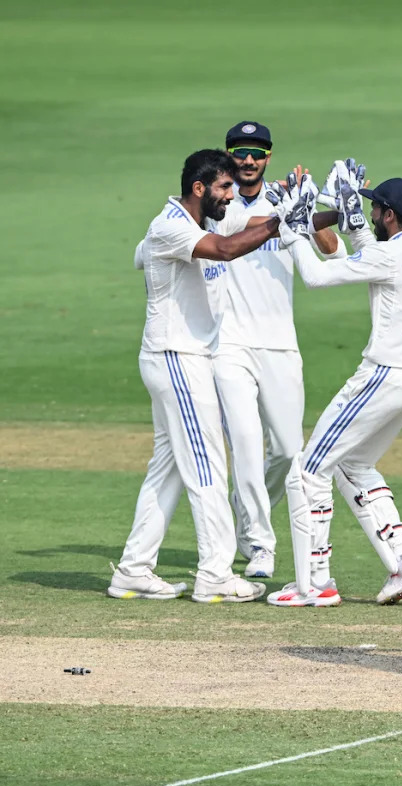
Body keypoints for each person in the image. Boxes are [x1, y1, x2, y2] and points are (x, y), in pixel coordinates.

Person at [107, 149, 284, 603]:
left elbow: (248, 230)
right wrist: (283, 220)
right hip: (176, 358)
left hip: (183, 358)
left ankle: (133, 568)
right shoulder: (169, 226)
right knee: (208, 465)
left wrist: (319, 215)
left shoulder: (206, 219)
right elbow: (227, 251)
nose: (233, 195)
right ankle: (216, 575)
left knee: (167, 469)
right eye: (225, 188)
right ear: (200, 189)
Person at [263, 171, 402, 607]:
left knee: (307, 472)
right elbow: (377, 257)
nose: (370, 212)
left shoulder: (390, 256)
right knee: (352, 465)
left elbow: (317, 278)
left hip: (380, 376)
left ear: (389, 215)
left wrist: (292, 233)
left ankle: (315, 582)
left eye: (374, 207)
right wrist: (355, 223)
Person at [214, 121, 344, 580]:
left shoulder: (287, 196)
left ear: (268, 156)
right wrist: (288, 216)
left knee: (290, 452)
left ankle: (246, 511)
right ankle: (260, 545)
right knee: (246, 444)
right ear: (229, 155)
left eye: (256, 152)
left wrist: (305, 212)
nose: (248, 160)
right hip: (227, 344)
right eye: (240, 152)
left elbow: (331, 250)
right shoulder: (217, 201)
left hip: (280, 343)